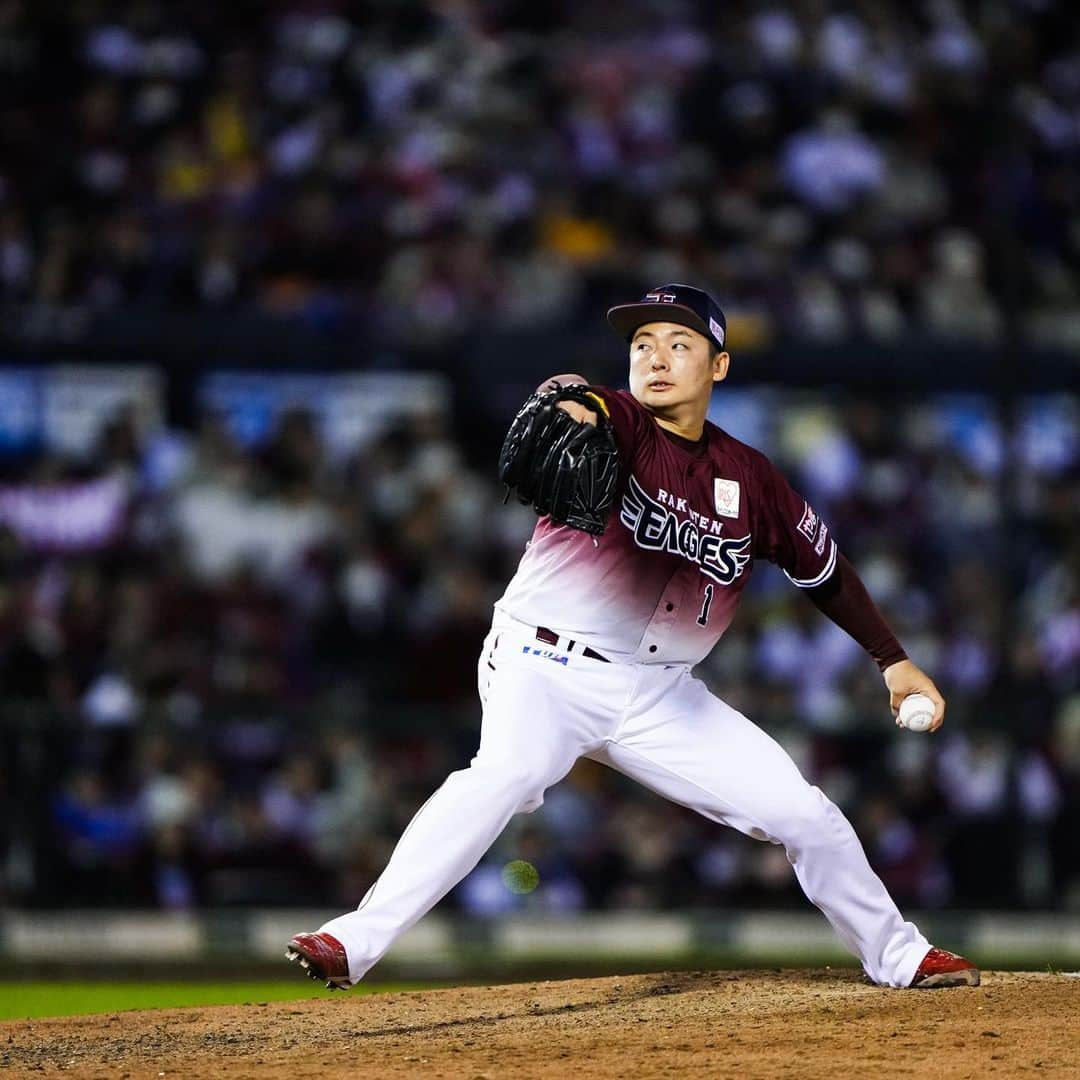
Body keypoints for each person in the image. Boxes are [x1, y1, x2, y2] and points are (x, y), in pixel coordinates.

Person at [286, 284, 979, 990]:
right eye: (642, 344)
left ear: (719, 367)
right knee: (506, 776)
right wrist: (568, 400)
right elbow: (577, 398)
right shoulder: (619, 422)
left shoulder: (752, 479)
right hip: (541, 662)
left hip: (659, 693)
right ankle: (350, 942)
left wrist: (892, 659)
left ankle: (899, 955)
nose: (656, 357)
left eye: (680, 345)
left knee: (802, 812)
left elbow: (824, 572)